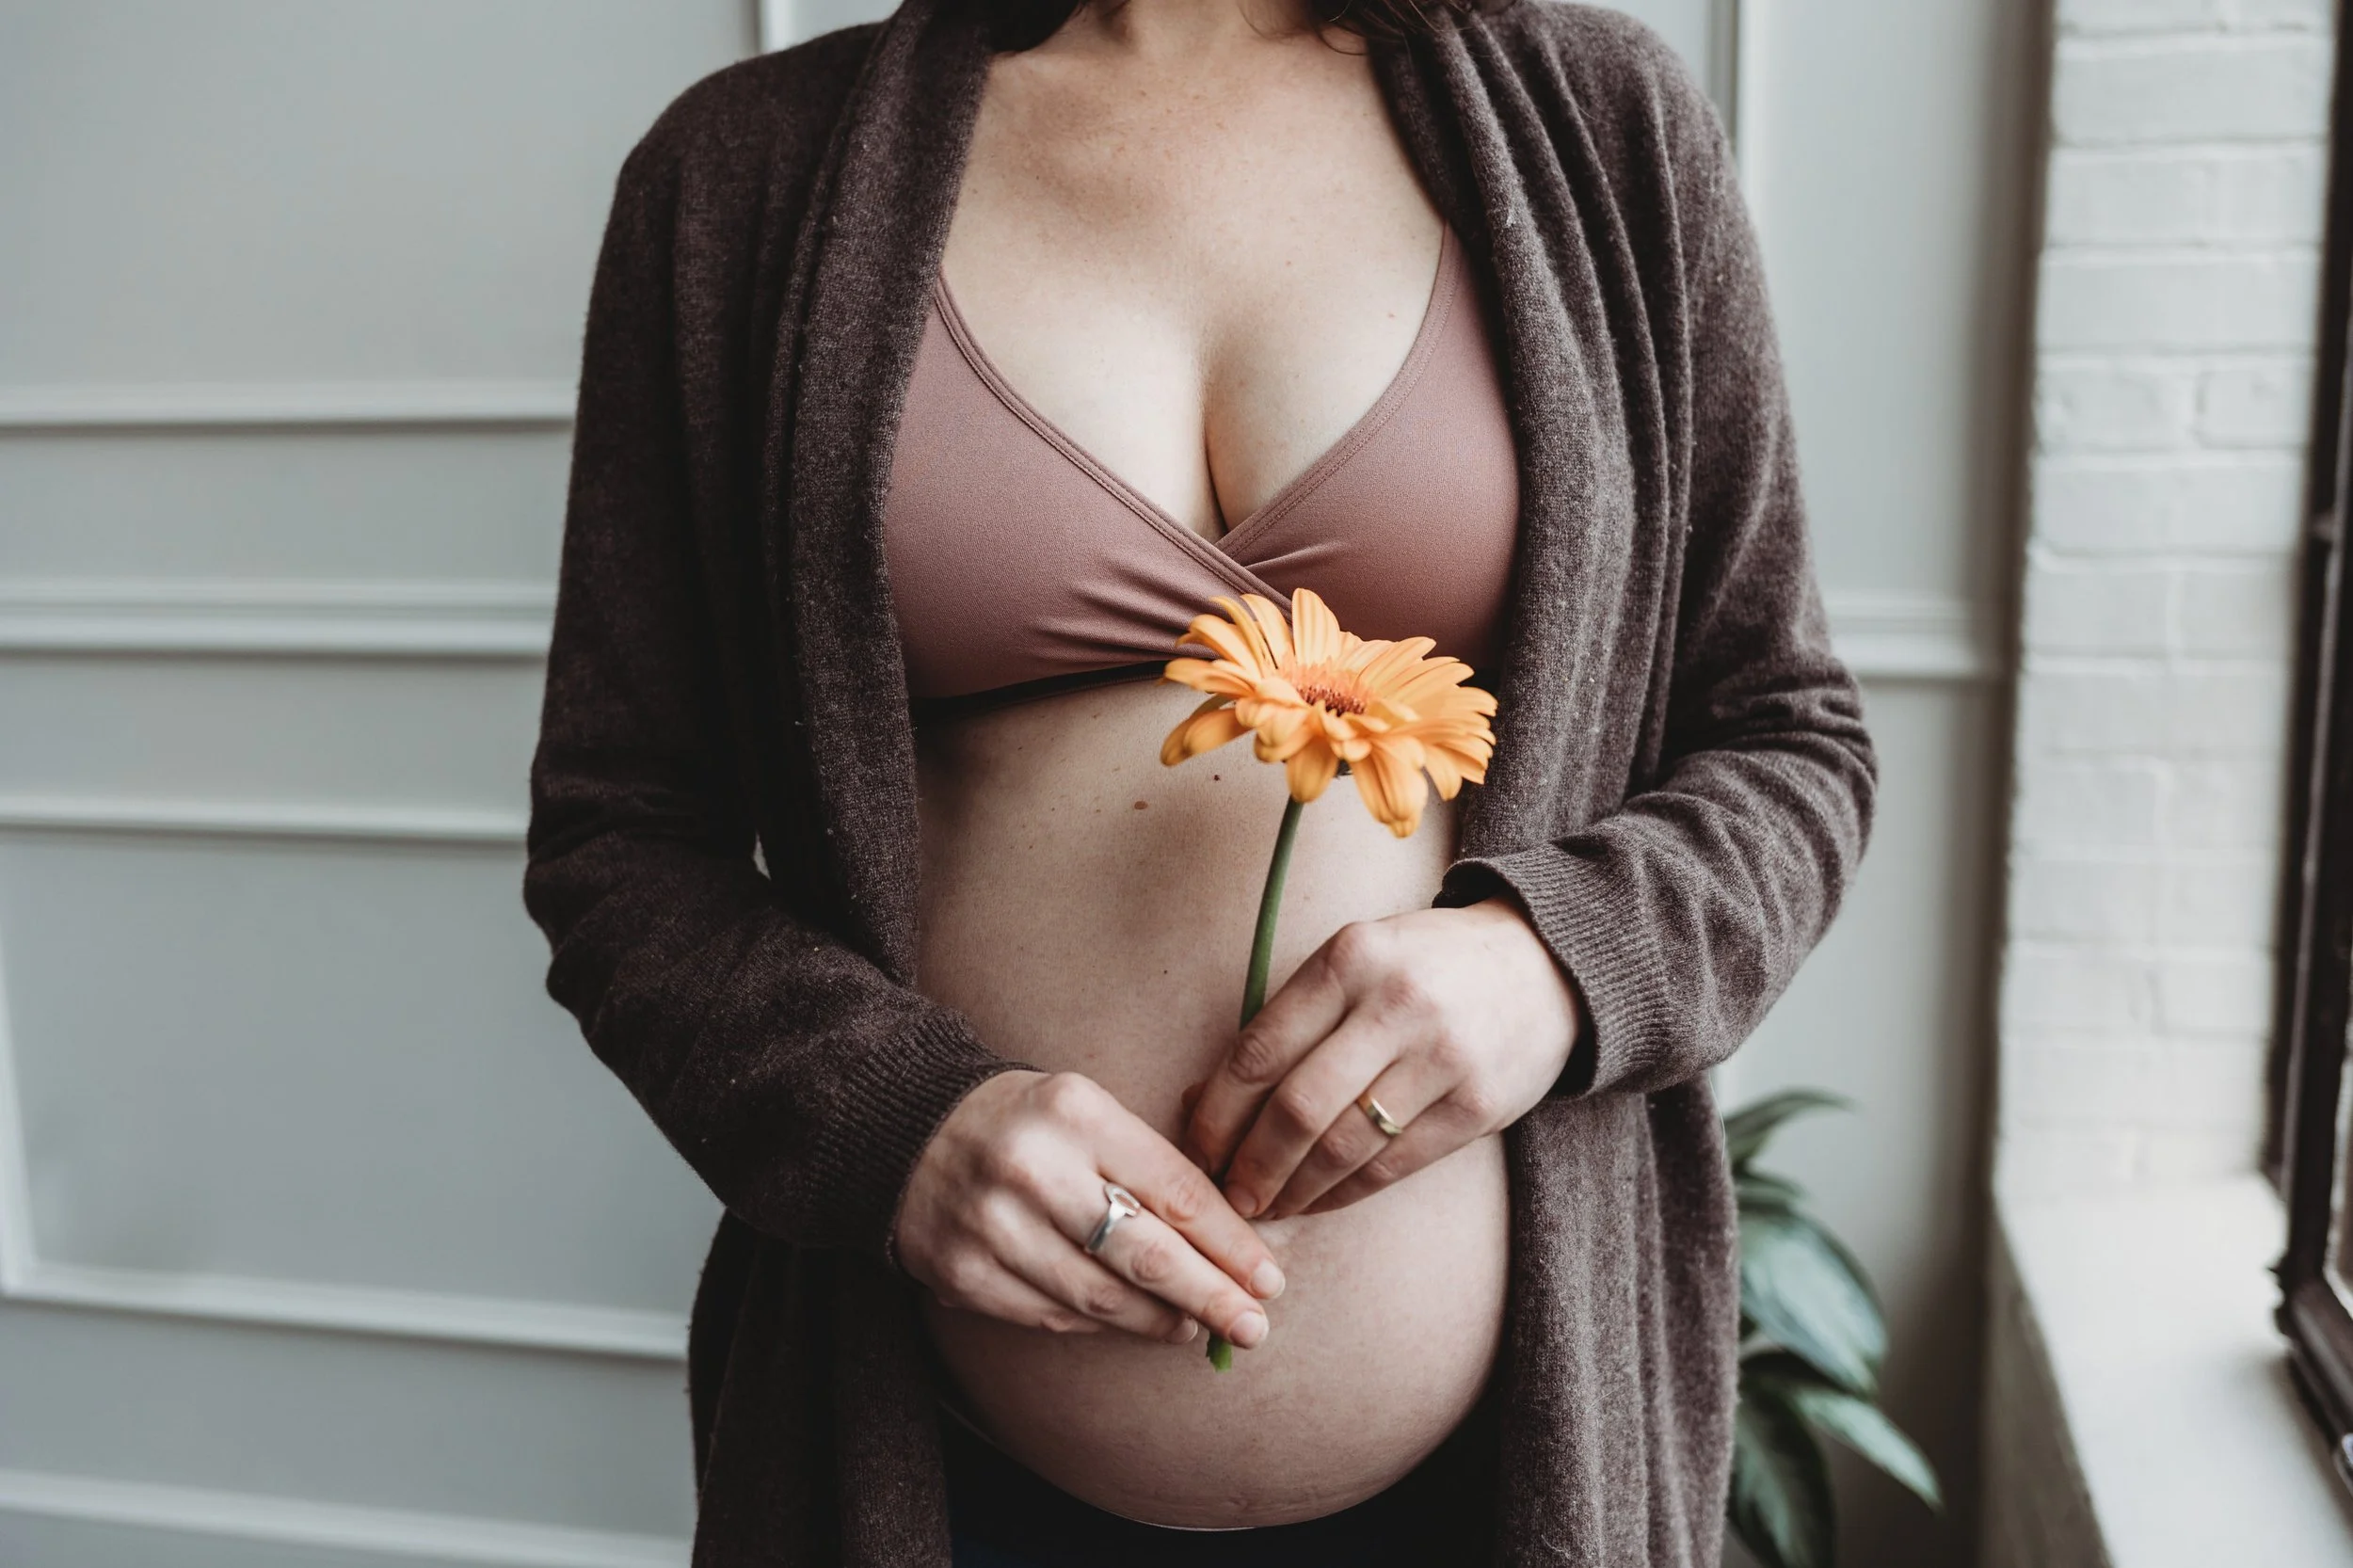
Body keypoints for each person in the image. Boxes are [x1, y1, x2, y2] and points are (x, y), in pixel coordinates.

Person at [522, 0, 1876, 1559]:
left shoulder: (1602, 120)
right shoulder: (737, 176)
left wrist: (1558, 968)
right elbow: (620, 838)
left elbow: (1789, 735)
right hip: (948, 1472)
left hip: (1502, 1480)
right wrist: (894, 1126)